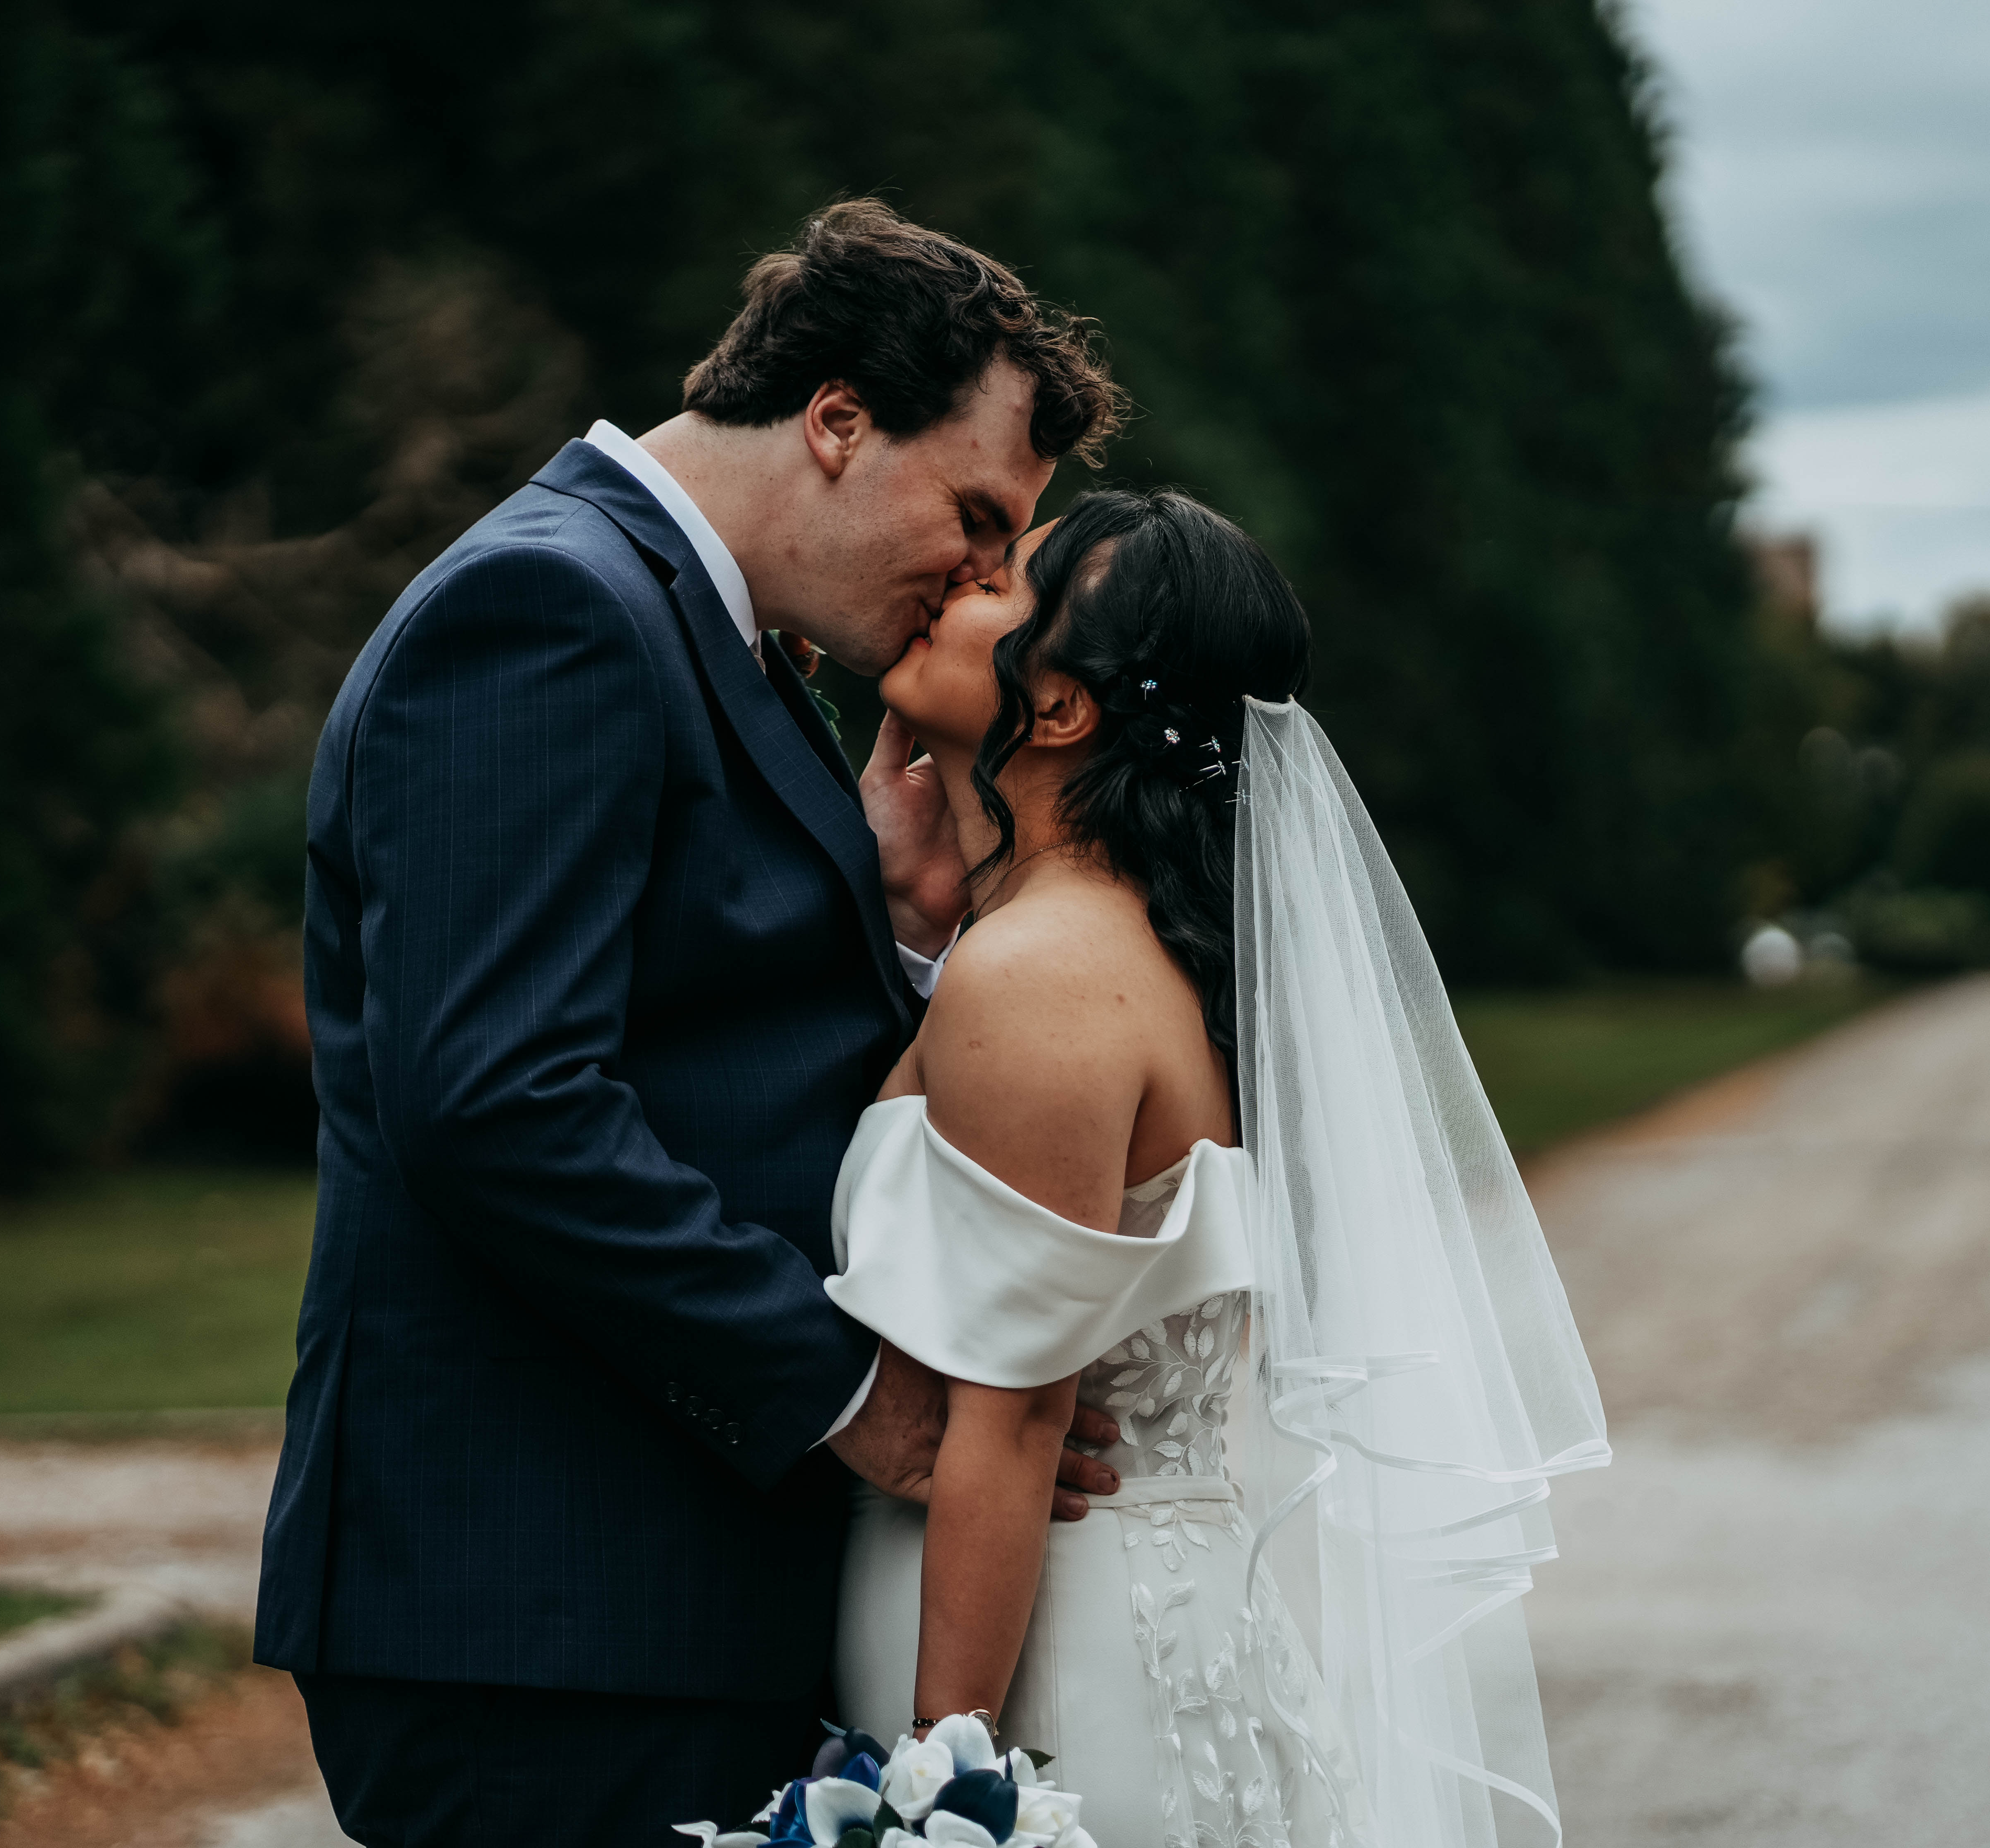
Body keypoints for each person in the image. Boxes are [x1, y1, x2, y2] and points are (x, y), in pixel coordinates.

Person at [253, 200, 1131, 1845]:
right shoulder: (549, 609)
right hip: (544, 1610)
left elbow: (699, 1034)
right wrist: (852, 1392)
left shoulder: (697, 628)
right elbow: (497, 1100)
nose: (995, 582)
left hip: (638, 1596)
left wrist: (890, 921)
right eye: (981, 514)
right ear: (838, 419)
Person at [822, 490, 1610, 1847]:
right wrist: (922, 910)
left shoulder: (1044, 979)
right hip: (1139, 1615)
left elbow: (1011, 1422)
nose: (960, 576)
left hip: (1046, 1679)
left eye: (1008, 578)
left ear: (1061, 709)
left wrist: (940, 1792)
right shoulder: (1119, 953)